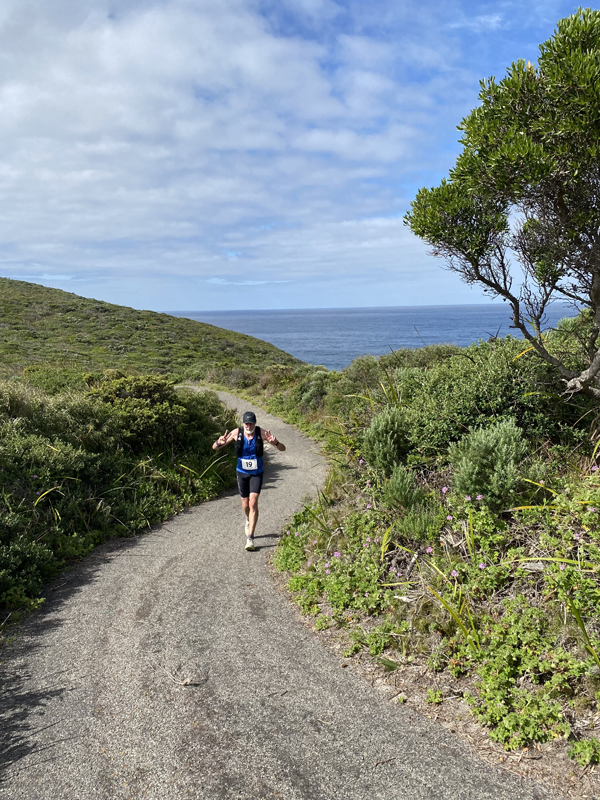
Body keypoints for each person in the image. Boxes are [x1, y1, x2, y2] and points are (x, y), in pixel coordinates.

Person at [212, 411, 286, 550]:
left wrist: (275, 442)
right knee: (245, 504)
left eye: (251, 423)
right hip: (241, 472)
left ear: (255, 423)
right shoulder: (237, 433)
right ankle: (248, 519)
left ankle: (250, 538)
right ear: (243, 423)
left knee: (253, 503)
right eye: (246, 423)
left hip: (256, 473)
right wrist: (218, 443)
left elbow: (283, 449)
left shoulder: (262, 433)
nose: (248, 426)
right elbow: (214, 448)